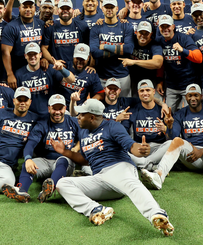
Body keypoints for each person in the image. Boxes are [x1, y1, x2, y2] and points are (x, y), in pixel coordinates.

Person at [53, 99, 175, 236]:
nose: (78, 117)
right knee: (63, 184)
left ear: (92, 117)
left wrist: (140, 150)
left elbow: (130, 145)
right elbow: (86, 160)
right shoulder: (83, 132)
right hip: (100, 178)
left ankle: (157, 213)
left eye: (81, 115)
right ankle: (96, 209)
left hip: (119, 168)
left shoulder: (112, 126)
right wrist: (65, 152)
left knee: (132, 185)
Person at [2, 94, 81, 203]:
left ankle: (50, 187)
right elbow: (31, 143)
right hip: (45, 160)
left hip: (65, 160)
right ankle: (22, 191)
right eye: (54, 108)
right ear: (49, 108)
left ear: (65, 108)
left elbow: (85, 136)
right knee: (28, 164)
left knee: (63, 161)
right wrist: (28, 159)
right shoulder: (42, 123)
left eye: (60, 108)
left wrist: (76, 147)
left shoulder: (73, 122)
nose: (57, 112)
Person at [14, 42, 75, 117]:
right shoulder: (19, 74)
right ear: (25, 56)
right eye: (30, 54)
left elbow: (71, 80)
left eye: (35, 54)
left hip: (49, 115)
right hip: (30, 116)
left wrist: (62, 69)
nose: (32, 57)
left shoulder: (49, 69)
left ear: (40, 55)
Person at [156, 14, 202, 113]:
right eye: (162, 27)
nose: (165, 29)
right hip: (171, 86)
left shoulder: (183, 38)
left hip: (188, 84)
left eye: (167, 26)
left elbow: (199, 58)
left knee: (189, 114)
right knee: (167, 114)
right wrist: (160, 80)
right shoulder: (159, 41)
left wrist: (183, 50)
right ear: (158, 28)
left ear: (173, 26)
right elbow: (160, 63)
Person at [90, 0, 135, 96]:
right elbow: (95, 52)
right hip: (102, 76)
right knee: (102, 109)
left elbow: (129, 49)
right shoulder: (96, 28)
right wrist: (119, 49)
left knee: (125, 105)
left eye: (112, 7)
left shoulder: (126, 26)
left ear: (117, 8)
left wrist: (105, 46)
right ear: (102, 8)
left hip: (122, 75)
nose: (109, 9)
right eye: (107, 7)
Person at [1, 0, 46, 89]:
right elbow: (5, 52)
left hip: (37, 69)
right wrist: (9, 74)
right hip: (17, 71)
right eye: (25, 7)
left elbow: (44, 46)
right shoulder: (12, 26)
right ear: (19, 8)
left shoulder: (41, 24)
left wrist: (44, 58)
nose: (28, 9)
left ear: (35, 8)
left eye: (30, 7)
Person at [42, 0, 90, 67]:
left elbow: (88, 46)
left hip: (77, 67)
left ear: (72, 11)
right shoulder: (50, 26)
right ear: (58, 11)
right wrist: (54, 61)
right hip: (57, 68)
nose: (65, 11)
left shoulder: (82, 26)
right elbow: (44, 48)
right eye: (62, 8)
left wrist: (88, 64)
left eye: (68, 9)